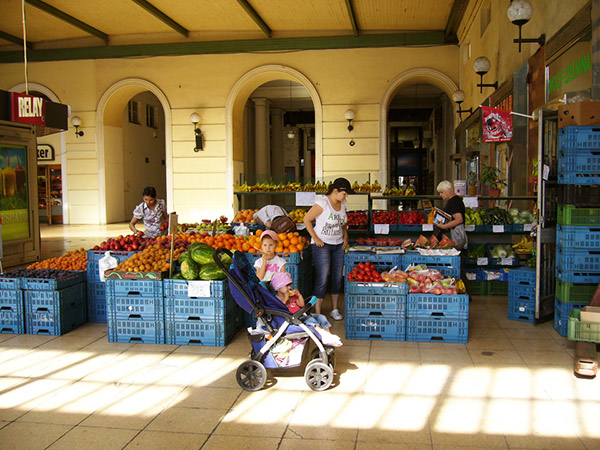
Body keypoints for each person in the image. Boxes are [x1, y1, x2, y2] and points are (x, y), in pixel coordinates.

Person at [303, 177, 353, 320]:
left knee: (337, 277)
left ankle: (334, 309)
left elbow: (343, 222)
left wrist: (345, 236)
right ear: (336, 191)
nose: (346, 196)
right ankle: (317, 312)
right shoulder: (322, 203)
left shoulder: (343, 203)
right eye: (344, 193)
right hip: (322, 246)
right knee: (323, 277)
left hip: (338, 245)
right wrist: (316, 238)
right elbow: (306, 219)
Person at [271, 272, 342, 347]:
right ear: (278, 288)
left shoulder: (292, 296)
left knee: (321, 317)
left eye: (290, 285)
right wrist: (285, 299)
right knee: (311, 321)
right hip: (294, 320)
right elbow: (279, 310)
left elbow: (302, 305)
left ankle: (327, 335)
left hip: (302, 315)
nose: (289, 288)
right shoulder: (277, 300)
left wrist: (299, 296)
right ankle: (323, 335)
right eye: (287, 286)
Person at [434, 180, 468, 250]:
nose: (440, 195)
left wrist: (444, 226)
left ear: (449, 190)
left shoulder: (454, 201)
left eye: (442, 192)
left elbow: (459, 219)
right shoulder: (454, 200)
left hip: (455, 236)